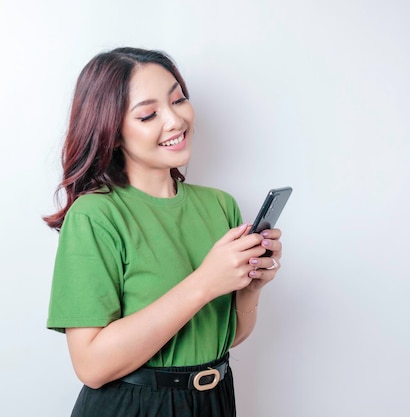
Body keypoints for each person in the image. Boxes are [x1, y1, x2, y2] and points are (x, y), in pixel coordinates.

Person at [45, 47, 283, 417]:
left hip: (215, 399)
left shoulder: (220, 205)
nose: (175, 120)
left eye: (179, 99)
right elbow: (91, 367)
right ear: (114, 131)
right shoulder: (96, 215)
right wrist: (206, 281)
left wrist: (250, 288)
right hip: (134, 406)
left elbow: (227, 336)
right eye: (148, 114)